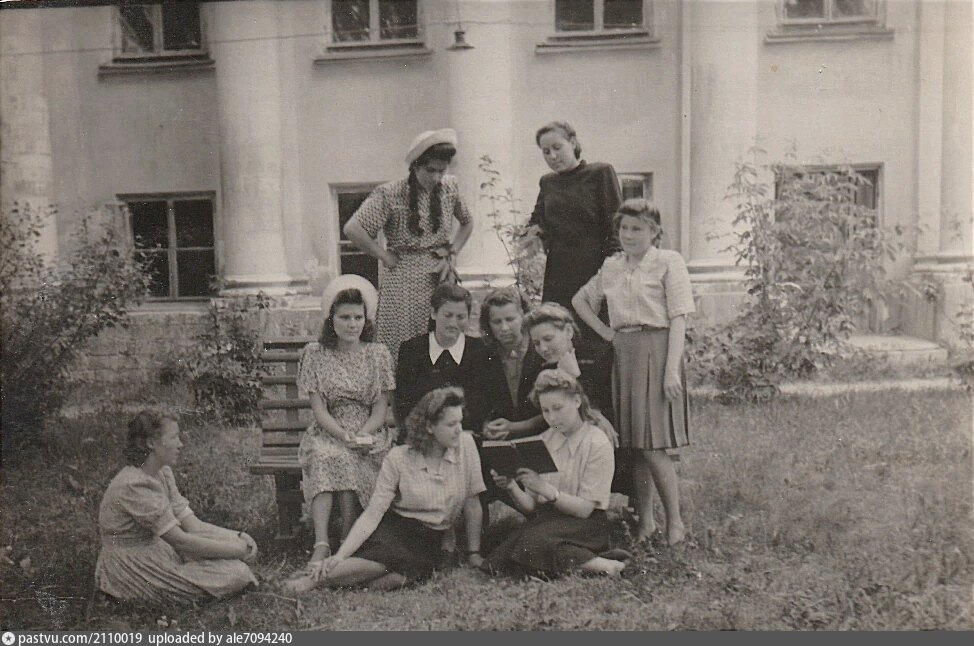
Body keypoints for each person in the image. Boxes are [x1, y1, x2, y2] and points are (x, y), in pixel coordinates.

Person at [572, 199, 695, 547]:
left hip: (658, 350)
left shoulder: (668, 262)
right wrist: (607, 333)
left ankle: (675, 523)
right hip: (624, 353)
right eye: (624, 228)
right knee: (635, 446)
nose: (629, 235)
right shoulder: (612, 266)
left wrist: (671, 371)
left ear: (654, 231)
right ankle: (646, 522)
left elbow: (679, 317)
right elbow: (580, 301)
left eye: (637, 229)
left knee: (654, 445)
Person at [283, 388, 486, 594]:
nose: (459, 430)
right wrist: (341, 555)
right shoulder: (399, 458)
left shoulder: (466, 445)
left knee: (396, 576)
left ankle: (330, 577)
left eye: (460, 422)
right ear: (429, 427)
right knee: (385, 563)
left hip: (431, 539)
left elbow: (473, 503)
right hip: (397, 529)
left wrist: (474, 553)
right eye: (451, 424)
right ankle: (313, 581)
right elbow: (373, 513)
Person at [95, 412, 257, 605]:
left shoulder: (161, 473)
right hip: (130, 564)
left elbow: (194, 526)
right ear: (151, 443)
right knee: (237, 573)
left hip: (158, 549)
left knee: (231, 559)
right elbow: (181, 541)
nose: (180, 444)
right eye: (174, 438)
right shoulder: (134, 484)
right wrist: (238, 551)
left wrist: (237, 536)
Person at [343, 128, 474, 363]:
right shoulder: (390, 193)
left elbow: (467, 222)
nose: (436, 177)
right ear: (415, 166)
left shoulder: (450, 187)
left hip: (440, 275)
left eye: (441, 171)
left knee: (442, 332)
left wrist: (453, 251)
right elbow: (353, 228)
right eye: (430, 170)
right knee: (402, 339)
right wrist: (383, 256)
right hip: (403, 276)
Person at [294, 275, 395, 573]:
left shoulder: (377, 354)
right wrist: (342, 434)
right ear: (331, 319)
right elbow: (319, 411)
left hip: (368, 429)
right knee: (328, 455)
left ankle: (348, 538)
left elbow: (380, 409)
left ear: (366, 320)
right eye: (345, 317)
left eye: (358, 318)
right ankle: (322, 542)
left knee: (352, 457)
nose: (352, 324)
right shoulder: (315, 354)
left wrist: (362, 434)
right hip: (329, 429)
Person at [483, 370, 627, 578]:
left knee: (529, 545)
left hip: (587, 523)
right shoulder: (545, 440)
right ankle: (589, 561)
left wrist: (546, 489)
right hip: (550, 521)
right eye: (546, 411)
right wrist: (512, 487)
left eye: (558, 408)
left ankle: (602, 565)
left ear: (577, 401)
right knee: (500, 559)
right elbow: (531, 506)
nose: (552, 418)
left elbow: (585, 510)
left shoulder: (596, 442)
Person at [394, 283, 486, 435]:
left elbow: (480, 408)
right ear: (434, 313)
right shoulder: (412, 350)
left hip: (465, 435)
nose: (453, 323)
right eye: (447, 315)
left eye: (460, 317)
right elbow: (404, 406)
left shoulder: (479, 350)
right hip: (422, 436)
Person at [479, 287, 546, 442]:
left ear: (523, 315)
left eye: (510, 319)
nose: (504, 328)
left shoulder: (541, 350)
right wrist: (486, 426)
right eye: (496, 322)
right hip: (499, 440)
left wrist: (515, 427)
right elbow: (479, 404)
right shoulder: (483, 355)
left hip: (543, 436)